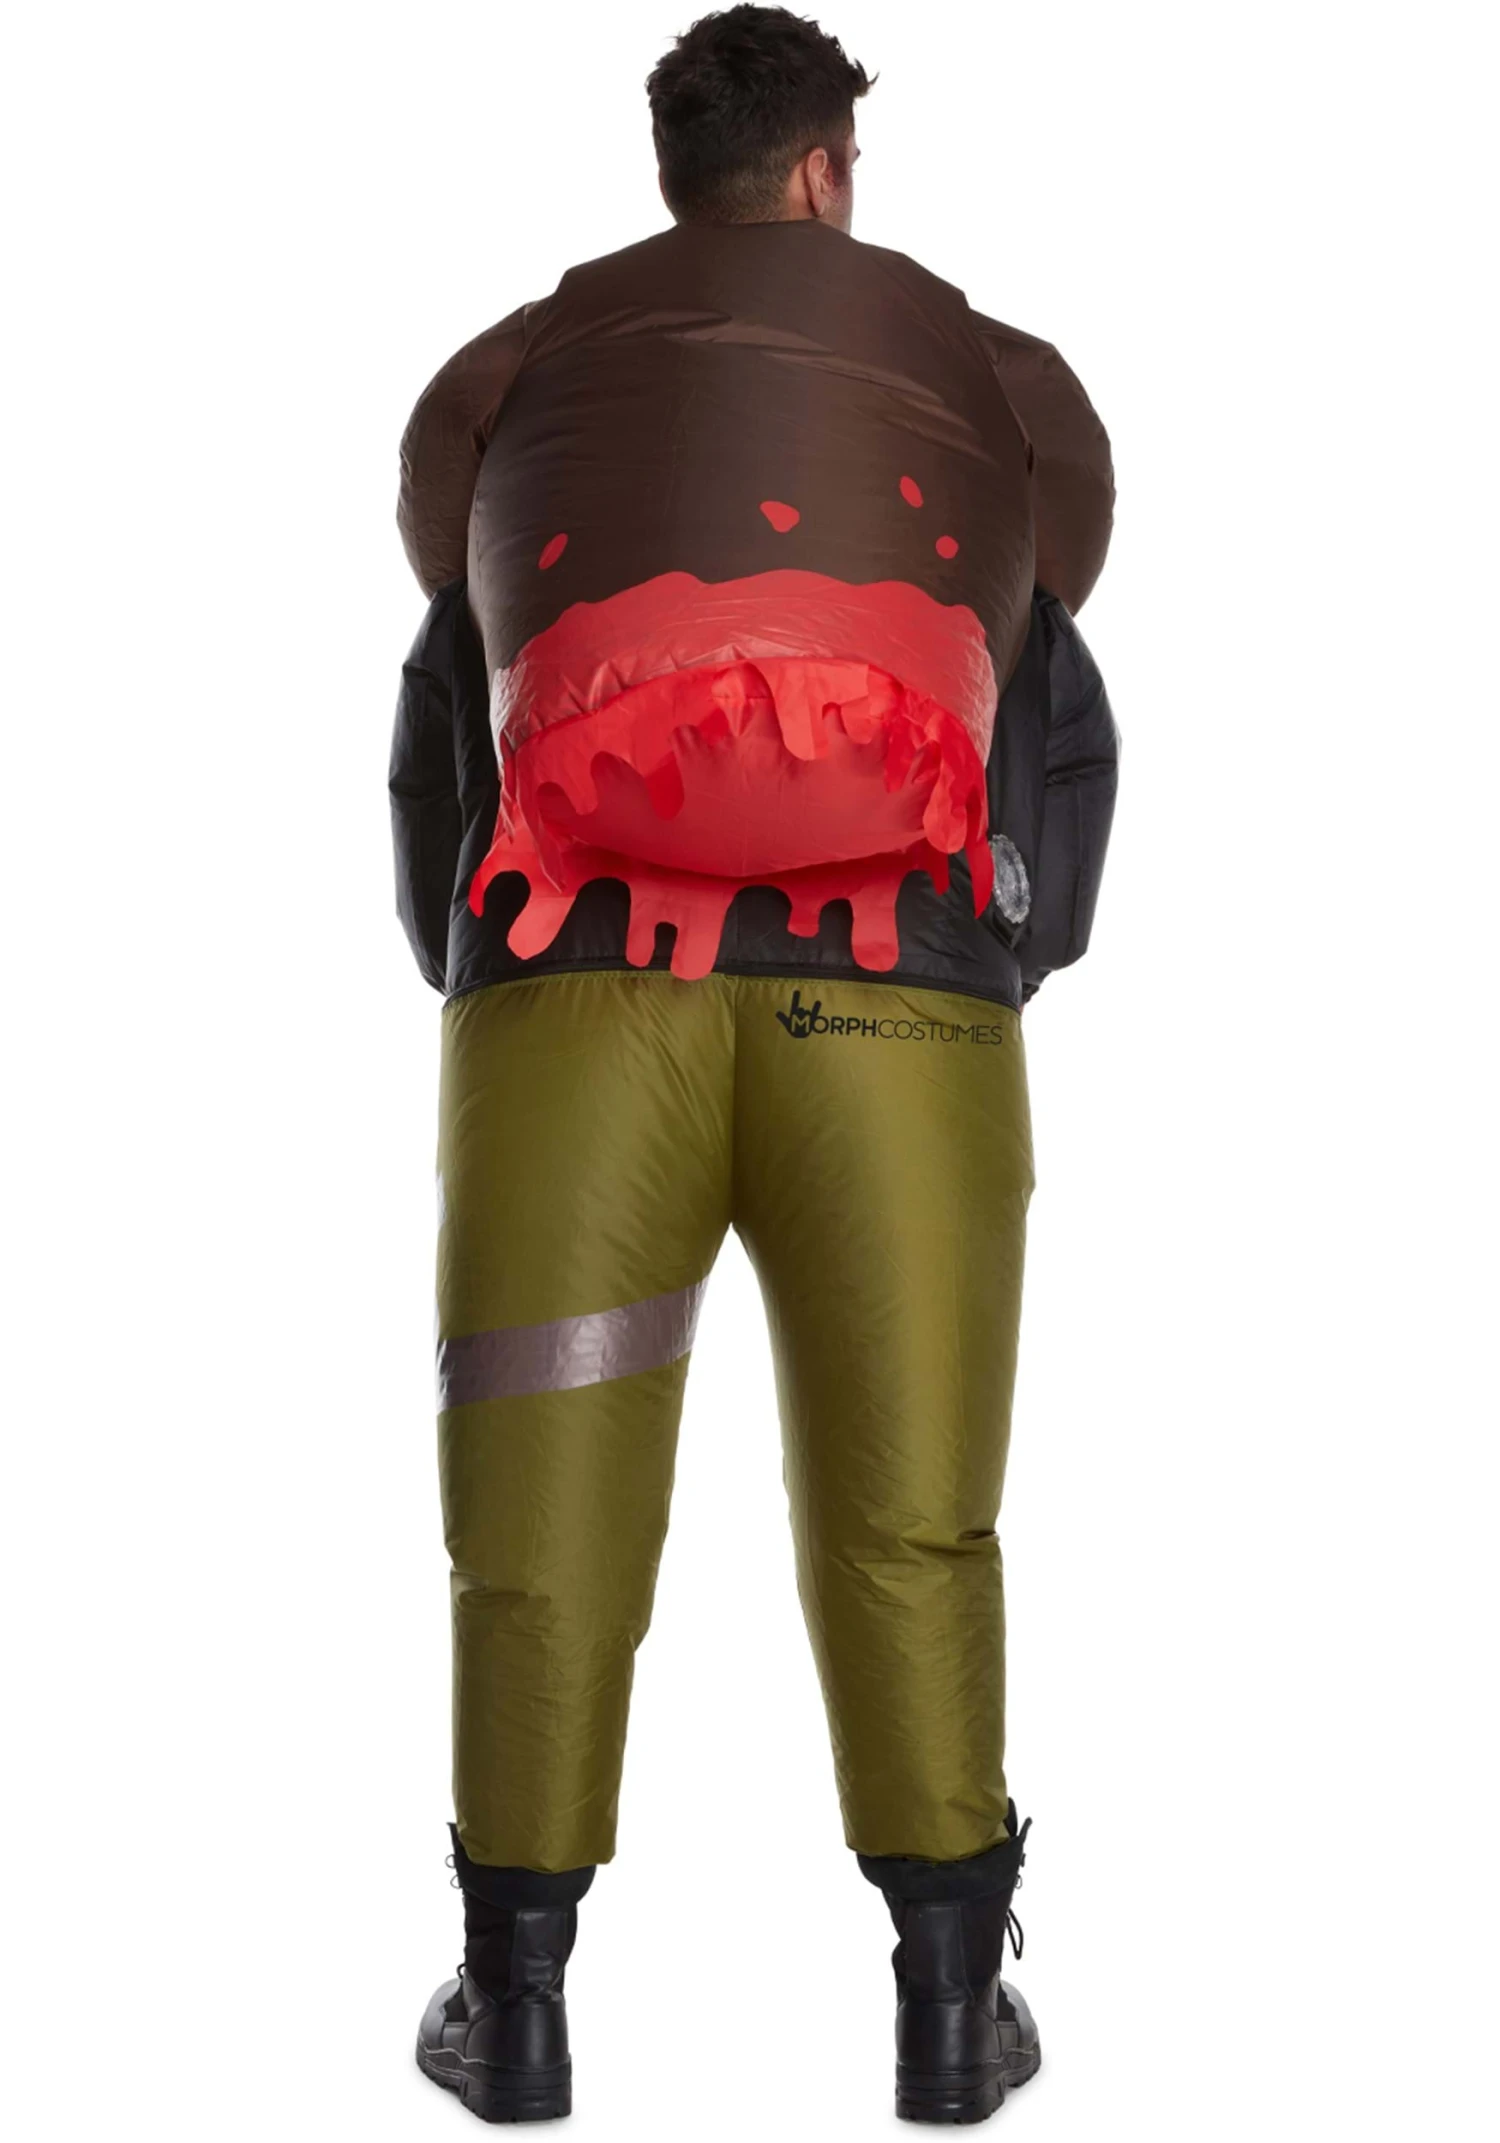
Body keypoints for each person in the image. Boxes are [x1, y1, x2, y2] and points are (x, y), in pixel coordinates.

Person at [391, 6, 1117, 2123]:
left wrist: (486, 979)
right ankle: (947, 2016)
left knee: (541, 1508)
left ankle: (517, 2010)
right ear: (824, 171)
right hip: (901, 1004)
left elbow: (448, 651)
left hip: (571, 1000)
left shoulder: (512, 367)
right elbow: (1052, 635)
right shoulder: (995, 373)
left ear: (679, 175)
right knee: (911, 1512)